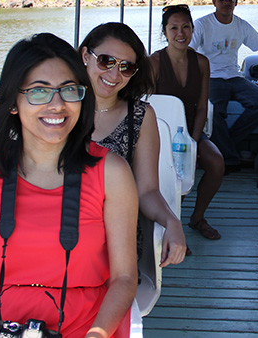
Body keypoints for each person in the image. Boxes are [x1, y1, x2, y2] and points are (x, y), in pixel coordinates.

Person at [0, 33, 136, 338]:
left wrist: (97, 334)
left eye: (68, 91)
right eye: (39, 92)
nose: (57, 105)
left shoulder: (112, 173)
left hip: (87, 327)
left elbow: (125, 277)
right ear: (14, 102)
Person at [80, 22, 187, 266]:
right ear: (86, 56)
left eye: (126, 67)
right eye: (106, 61)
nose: (114, 74)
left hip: (114, 243)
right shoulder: (59, 108)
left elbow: (147, 190)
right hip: (58, 230)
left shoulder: (139, 116)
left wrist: (172, 221)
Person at [149, 5, 226, 240]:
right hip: (160, 134)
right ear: (165, 32)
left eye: (185, 27)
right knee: (175, 173)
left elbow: (202, 106)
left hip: (191, 132)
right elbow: (148, 107)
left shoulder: (201, 62)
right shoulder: (153, 62)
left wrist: (191, 143)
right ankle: (172, 228)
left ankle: (197, 217)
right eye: (174, 28)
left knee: (216, 162)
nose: (180, 33)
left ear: (193, 30)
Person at [191, 0, 258, 172]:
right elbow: (187, 53)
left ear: (236, 2)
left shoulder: (241, 26)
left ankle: (226, 144)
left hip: (235, 77)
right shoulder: (202, 24)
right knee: (214, 113)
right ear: (214, 1)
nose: (226, 1)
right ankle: (230, 159)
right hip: (211, 78)